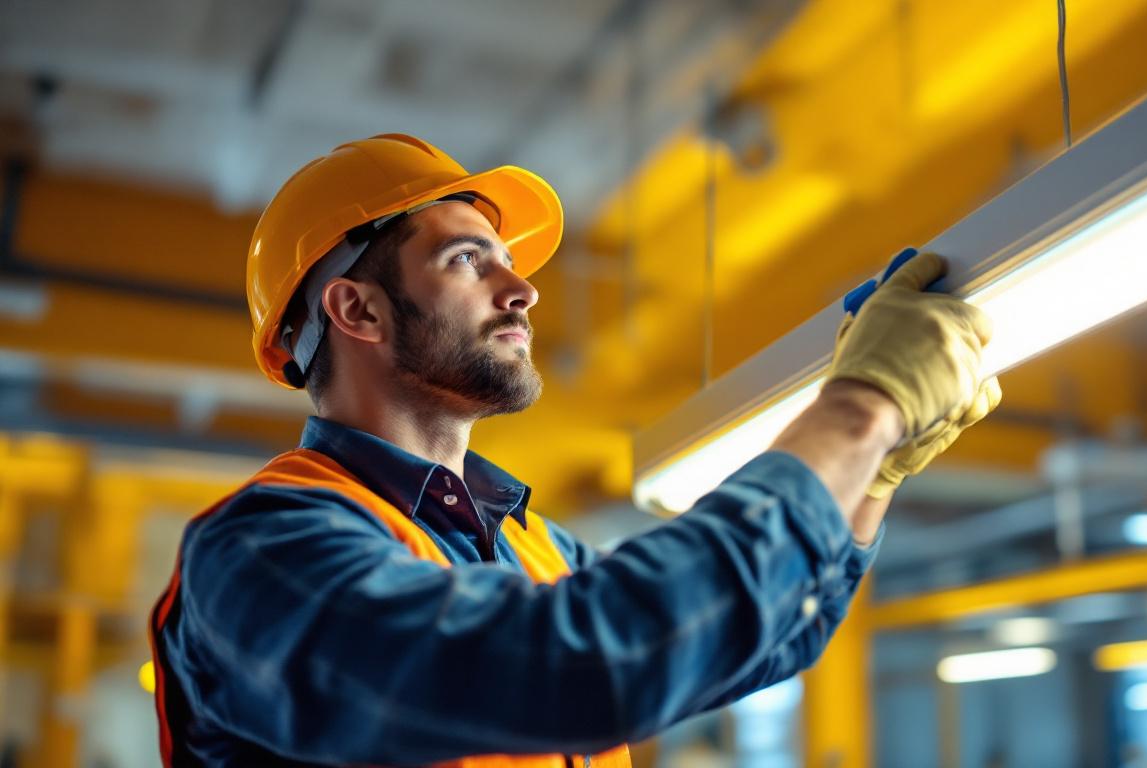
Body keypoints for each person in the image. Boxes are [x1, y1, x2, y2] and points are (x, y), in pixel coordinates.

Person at [149, 134, 1000, 767]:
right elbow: (580, 665)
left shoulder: (529, 545)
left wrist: (877, 473)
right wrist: (860, 412)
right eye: (467, 259)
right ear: (358, 311)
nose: (522, 289)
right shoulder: (261, 550)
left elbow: (770, 631)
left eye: (507, 262)